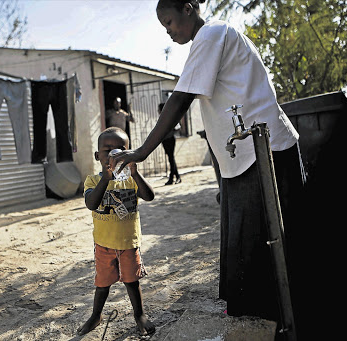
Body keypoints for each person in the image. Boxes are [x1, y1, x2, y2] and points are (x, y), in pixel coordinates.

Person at [110, 0, 305, 331]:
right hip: (248, 157)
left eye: (170, 22)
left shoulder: (212, 34)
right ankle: (265, 322)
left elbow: (181, 98)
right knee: (251, 247)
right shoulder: (211, 40)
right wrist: (221, 182)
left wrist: (142, 150)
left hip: (265, 153)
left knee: (266, 247)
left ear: (188, 9)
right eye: (164, 27)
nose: (168, 32)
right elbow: (216, 119)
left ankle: (274, 324)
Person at [78, 127, 156, 336]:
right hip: (104, 244)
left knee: (132, 281)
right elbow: (91, 204)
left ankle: (139, 315)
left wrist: (136, 172)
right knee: (102, 285)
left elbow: (149, 196)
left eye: (121, 150)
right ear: (98, 156)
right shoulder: (92, 181)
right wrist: (106, 178)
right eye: (107, 150)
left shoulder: (131, 180)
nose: (114, 155)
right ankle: (96, 316)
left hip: (129, 243)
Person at [159, 102, 181, 185]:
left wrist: (170, 132)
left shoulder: (170, 116)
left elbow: (178, 127)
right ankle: (177, 176)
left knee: (171, 158)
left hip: (170, 139)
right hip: (164, 140)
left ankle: (172, 178)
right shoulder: (161, 118)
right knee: (170, 158)